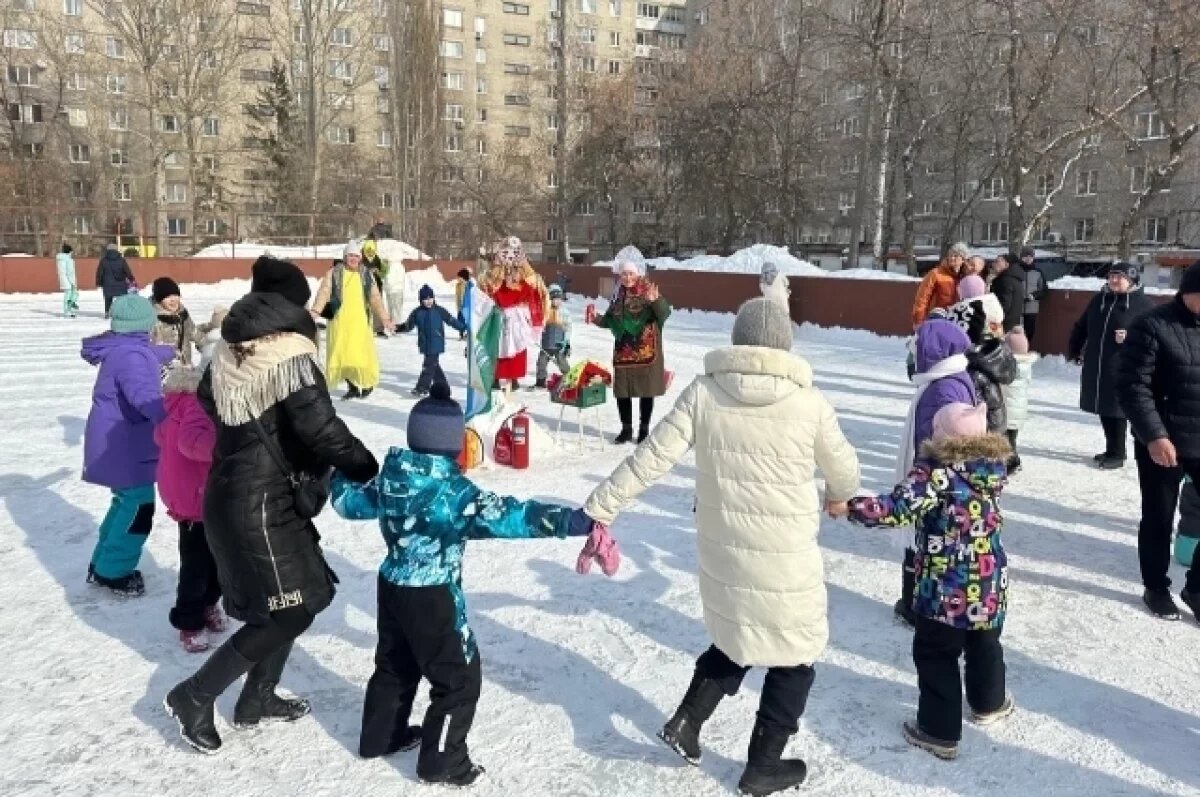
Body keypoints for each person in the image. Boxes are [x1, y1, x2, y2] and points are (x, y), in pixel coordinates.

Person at [576, 298, 860, 796]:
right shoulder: (808, 402)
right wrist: (838, 495)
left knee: (737, 633)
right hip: (785, 554)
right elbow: (844, 468)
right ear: (785, 346)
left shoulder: (704, 393)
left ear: (737, 339)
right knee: (795, 654)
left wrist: (602, 504)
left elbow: (652, 457)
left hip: (724, 549)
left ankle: (687, 720)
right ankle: (763, 765)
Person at [165, 256, 380, 754]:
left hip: (239, 493)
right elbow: (321, 428)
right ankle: (194, 696)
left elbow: (208, 400)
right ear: (294, 306)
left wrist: (257, 433)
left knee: (296, 598)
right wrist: (365, 467)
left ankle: (256, 700)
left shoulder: (229, 350)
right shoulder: (290, 356)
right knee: (287, 612)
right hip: (260, 505)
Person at [330, 382, 589, 786]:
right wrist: (570, 521)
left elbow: (348, 504)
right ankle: (442, 761)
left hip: (392, 586)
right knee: (458, 679)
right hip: (433, 596)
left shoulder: (391, 479)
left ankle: (380, 737)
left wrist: (335, 472)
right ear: (454, 445)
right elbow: (511, 516)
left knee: (394, 664)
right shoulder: (455, 494)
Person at [834, 401, 1013, 761]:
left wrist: (852, 506)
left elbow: (897, 508)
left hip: (946, 585)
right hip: (990, 580)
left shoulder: (936, 473)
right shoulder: (992, 469)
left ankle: (938, 730)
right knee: (985, 642)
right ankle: (989, 702)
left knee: (936, 653)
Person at [1117, 260, 1200, 622]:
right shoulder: (1153, 324)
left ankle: (1196, 587)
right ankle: (1156, 587)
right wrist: (1154, 435)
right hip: (1163, 441)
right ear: (1189, 292)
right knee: (1158, 518)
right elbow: (1132, 386)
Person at [81, 294, 175, 597]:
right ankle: (114, 571)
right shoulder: (132, 357)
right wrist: (173, 420)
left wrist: (165, 353)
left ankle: (103, 562)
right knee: (138, 507)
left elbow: (140, 355)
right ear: (145, 324)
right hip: (125, 444)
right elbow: (144, 396)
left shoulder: (125, 349)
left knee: (124, 501)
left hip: (117, 441)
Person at [894, 319, 978, 626]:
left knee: (922, 542)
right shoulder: (943, 379)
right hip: (931, 477)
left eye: (916, 347)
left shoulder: (946, 388)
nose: (913, 354)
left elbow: (951, 442)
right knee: (919, 542)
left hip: (934, 481)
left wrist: (922, 474)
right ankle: (912, 602)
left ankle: (915, 606)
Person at [155, 362, 227, 653]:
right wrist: (228, 445)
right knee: (200, 564)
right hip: (197, 500)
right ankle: (190, 621)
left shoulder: (175, 404)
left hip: (186, 495)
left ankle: (207, 604)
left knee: (213, 558)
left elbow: (159, 436)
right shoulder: (198, 404)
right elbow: (192, 443)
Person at [1068, 262, 1152, 469]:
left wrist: (1131, 336)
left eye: (1119, 277)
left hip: (1124, 366)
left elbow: (1154, 335)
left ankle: (1118, 453)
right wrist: (1074, 349)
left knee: (1117, 409)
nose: (1113, 280)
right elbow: (1082, 326)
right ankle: (1111, 448)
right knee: (1104, 408)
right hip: (1098, 364)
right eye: (1111, 276)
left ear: (1131, 280)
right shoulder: (1099, 300)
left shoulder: (1143, 304)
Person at [593, 246, 672, 444]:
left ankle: (644, 429)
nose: (627, 278)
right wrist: (596, 318)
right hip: (624, 352)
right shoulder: (617, 295)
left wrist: (657, 301)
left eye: (631, 273)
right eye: (624, 274)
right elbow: (611, 321)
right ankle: (626, 429)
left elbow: (664, 314)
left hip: (646, 351)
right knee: (623, 392)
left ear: (638, 273)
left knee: (646, 392)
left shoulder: (648, 291)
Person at [310, 240, 392, 400]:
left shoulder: (366, 275)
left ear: (360, 258)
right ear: (345, 257)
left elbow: (375, 298)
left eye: (356, 256)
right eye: (350, 256)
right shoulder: (334, 273)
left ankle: (367, 384)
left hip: (360, 321)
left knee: (360, 354)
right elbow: (324, 292)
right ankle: (352, 386)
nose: (353, 259)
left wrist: (385, 318)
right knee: (342, 355)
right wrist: (316, 310)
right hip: (339, 322)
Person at [479, 238, 545, 392]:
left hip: (516, 317)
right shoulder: (494, 274)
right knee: (497, 346)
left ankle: (513, 377)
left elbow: (534, 289)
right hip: (498, 315)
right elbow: (487, 289)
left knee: (516, 346)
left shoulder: (525, 275)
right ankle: (495, 377)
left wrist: (523, 268)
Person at [398, 284, 466, 397]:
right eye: (425, 299)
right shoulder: (417, 313)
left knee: (428, 366)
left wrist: (463, 327)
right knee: (434, 366)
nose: (429, 301)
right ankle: (443, 386)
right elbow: (408, 325)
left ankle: (422, 388)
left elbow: (451, 320)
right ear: (421, 300)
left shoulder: (439, 311)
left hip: (436, 343)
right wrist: (398, 328)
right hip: (424, 344)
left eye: (431, 298)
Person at [149, 277, 217, 366]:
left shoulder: (182, 314)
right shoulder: (153, 319)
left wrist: (212, 346)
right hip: (165, 371)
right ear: (159, 299)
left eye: (175, 295)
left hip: (186, 366)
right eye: (167, 297)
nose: (173, 299)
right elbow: (149, 347)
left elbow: (194, 333)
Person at [1002, 327, 1037, 473]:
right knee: (1012, 439)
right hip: (1018, 410)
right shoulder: (1026, 365)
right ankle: (1013, 461)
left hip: (1008, 410)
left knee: (1005, 440)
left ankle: (1011, 464)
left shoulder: (1009, 366)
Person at [911, 243, 968, 330]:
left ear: (963, 259)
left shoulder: (966, 277)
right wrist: (918, 320)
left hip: (957, 322)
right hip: (936, 320)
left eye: (956, 256)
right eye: (950, 255)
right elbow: (922, 298)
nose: (952, 258)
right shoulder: (935, 274)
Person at [534, 283, 572, 388]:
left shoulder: (564, 313)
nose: (557, 301)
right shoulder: (545, 311)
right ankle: (540, 381)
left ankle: (569, 378)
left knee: (562, 362)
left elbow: (568, 328)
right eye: (554, 299)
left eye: (559, 299)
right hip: (546, 343)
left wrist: (566, 341)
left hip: (559, 344)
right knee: (541, 362)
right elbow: (539, 325)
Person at [989, 253, 1028, 333]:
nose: (993, 264)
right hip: (1013, 323)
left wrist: (993, 320)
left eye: (997, 262)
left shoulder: (1004, 280)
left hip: (1002, 324)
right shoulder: (1014, 279)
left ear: (1006, 265)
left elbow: (1004, 305)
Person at [96, 243, 135, 318]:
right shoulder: (121, 260)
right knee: (122, 299)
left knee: (108, 298)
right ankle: (122, 312)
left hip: (107, 283)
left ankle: (107, 312)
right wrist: (131, 278)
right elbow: (127, 270)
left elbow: (99, 272)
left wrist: (99, 282)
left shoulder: (103, 260)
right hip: (120, 283)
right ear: (116, 250)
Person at [1021, 247, 1048, 343]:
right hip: (1017, 308)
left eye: (1030, 256)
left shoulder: (1038, 272)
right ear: (1021, 257)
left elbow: (1044, 290)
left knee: (1029, 332)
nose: (1028, 259)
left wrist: (1033, 296)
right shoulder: (1016, 271)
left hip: (1032, 309)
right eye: (1025, 256)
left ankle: (1026, 351)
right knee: (1017, 333)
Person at [362, 239, 388, 337]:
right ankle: (364, 327)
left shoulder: (377, 259)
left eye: (371, 251)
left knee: (378, 307)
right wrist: (369, 271)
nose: (370, 253)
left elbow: (383, 274)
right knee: (364, 308)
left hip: (377, 287)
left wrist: (381, 270)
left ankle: (379, 329)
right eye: (368, 251)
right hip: (364, 288)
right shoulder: (361, 260)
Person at [57, 243, 78, 318]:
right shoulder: (69, 260)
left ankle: (68, 310)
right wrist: (73, 282)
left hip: (63, 279)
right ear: (69, 252)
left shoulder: (60, 259)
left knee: (68, 295)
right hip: (68, 280)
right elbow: (70, 272)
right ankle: (68, 310)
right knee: (72, 294)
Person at [454, 268, 472, 340]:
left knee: (467, 321)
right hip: (460, 307)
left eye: (459, 277)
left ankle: (468, 334)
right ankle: (461, 335)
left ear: (463, 277)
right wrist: (458, 305)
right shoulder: (458, 285)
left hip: (467, 307)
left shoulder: (470, 285)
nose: (458, 278)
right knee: (460, 321)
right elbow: (457, 296)